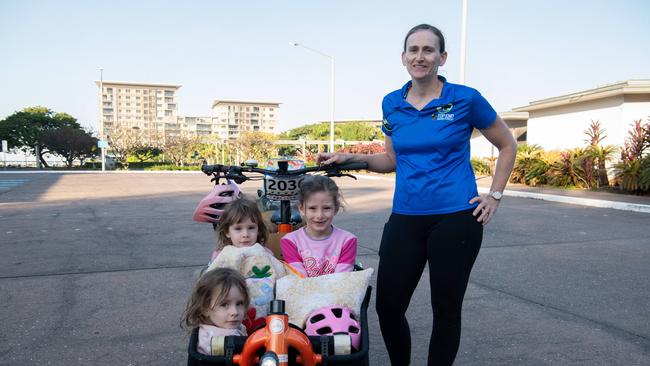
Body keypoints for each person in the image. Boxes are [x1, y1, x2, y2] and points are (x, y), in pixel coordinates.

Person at [317, 24, 517, 365]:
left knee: (446, 308)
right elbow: (391, 159)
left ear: (442, 57)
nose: (419, 56)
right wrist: (352, 158)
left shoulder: (465, 98)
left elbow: (507, 144)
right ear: (403, 57)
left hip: (456, 218)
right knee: (388, 306)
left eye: (428, 50)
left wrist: (494, 196)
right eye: (413, 49)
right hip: (406, 218)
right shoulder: (392, 103)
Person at [280, 175, 358, 277]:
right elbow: (299, 278)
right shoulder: (290, 241)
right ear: (302, 209)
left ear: (336, 208)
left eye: (326, 208)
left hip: (337, 292)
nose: (319, 215)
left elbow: (341, 279)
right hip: (303, 292)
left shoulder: (347, 241)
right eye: (312, 208)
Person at [181, 267, 249, 356]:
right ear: (205, 308)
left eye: (239, 303)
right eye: (224, 305)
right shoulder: (216, 341)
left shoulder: (225, 326)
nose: (235, 312)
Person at [208, 198, 271, 266]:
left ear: (258, 230)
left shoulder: (265, 254)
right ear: (227, 232)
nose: (245, 234)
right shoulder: (220, 256)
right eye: (238, 229)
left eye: (251, 228)